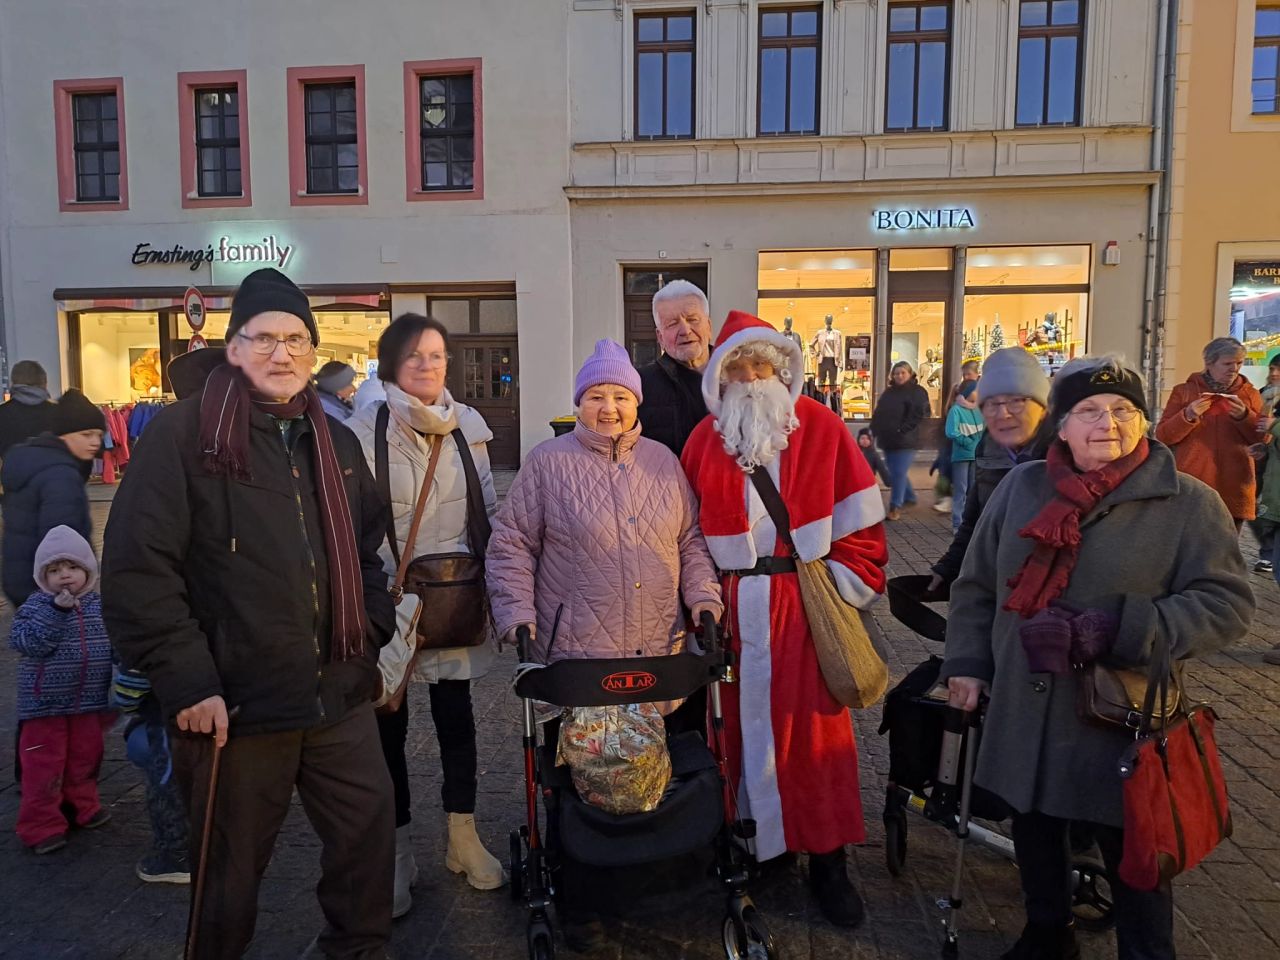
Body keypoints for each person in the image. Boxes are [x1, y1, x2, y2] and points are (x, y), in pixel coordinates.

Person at [101, 267, 398, 960]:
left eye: (296, 339)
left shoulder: (335, 440)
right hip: (234, 705)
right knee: (229, 877)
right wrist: (189, 682)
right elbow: (138, 571)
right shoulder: (183, 436)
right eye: (263, 337)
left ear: (313, 350)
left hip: (336, 692)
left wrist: (368, 636)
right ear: (233, 347)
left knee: (367, 838)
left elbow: (367, 552)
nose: (281, 353)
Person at [942, 355, 1253, 960]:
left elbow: (1227, 605)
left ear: (1144, 421)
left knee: (1134, 849)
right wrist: (968, 665)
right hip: (1026, 702)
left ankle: (1146, 951)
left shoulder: (1188, 503)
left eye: (1122, 410)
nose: (1106, 423)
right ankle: (1048, 934)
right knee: (1033, 824)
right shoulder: (1021, 489)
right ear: (1060, 425)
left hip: (1119, 717)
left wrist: (1122, 627)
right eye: (1088, 410)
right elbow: (976, 586)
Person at [486, 339, 723, 948]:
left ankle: (656, 881)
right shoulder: (547, 463)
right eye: (597, 396)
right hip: (577, 658)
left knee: (654, 773)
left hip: (658, 651)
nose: (609, 407)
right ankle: (585, 896)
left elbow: (691, 541)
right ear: (579, 403)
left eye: (620, 395)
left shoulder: (663, 462)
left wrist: (705, 599)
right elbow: (511, 545)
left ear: (636, 403)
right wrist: (517, 616)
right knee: (581, 780)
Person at [681, 311, 888, 927]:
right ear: (721, 377)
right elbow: (685, 537)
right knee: (737, 734)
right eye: (738, 368)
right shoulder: (702, 441)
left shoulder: (823, 428)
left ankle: (828, 860)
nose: (750, 378)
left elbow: (863, 528)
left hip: (802, 609)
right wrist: (699, 602)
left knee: (814, 737)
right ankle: (761, 846)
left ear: (780, 371)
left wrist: (841, 591)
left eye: (760, 366)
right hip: (731, 611)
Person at [347, 313, 504, 917]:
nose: (427, 365)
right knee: (387, 724)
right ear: (391, 362)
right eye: (414, 355)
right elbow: (351, 524)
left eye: (436, 355)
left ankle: (463, 838)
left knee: (456, 719)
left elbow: (487, 513)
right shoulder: (364, 431)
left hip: (453, 596)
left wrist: (497, 591)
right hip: (389, 600)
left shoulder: (469, 428)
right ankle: (398, 853)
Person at [11, 526, 114, 854]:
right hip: (45, 706)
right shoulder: (36, 606)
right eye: (54, 570)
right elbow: (26, 642)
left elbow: (115, 643)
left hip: (89, 702)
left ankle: (81, 806)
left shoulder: (100, 607)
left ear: (88, 570)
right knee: (43, 766)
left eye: (72, 567)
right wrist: (56, 612)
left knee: (85, 758)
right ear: (43, 577)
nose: (64, 576)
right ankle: (41, 825)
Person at [929, 348, 1053, 591]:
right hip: (1000, 585)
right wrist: (948, 567)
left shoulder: (1071, 451)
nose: (1002, 413)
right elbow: (976, 522)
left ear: (1042, 406)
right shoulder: (988, 447)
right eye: (991, 404)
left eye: (1016, 401)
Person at [1, 388, 104, 607]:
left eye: (99, 435)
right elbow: (62, 539)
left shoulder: (34, 461)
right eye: (86, 435)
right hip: (52, 587)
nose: (95, 442)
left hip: (23, 577)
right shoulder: (61, 474)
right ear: (64, 434)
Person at [1155, 336, 1262, 530]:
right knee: (1191, 543)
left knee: (1227, 545)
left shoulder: (1250, 394)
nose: (1234, 369)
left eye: (1239, 363)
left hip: (1234, 484)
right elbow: (1163, 436)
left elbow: (1263, 438)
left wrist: (1245, 416)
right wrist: (1188, 415)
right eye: (1227, 363)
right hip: (1194, 482)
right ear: (1209, 363)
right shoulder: (1185, 392)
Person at [636, 279, 713, 456]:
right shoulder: (639, 386)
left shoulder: (741, 377)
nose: (685, 330)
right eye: (672, 324)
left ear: (709, 326)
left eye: (693, 319)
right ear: (660, 337)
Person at [869, 360, 930, 520]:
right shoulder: (889, 393)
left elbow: (919, 414)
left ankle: (895, 506)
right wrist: (872, 431)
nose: (899, 376)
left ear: (910, 374)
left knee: (898, 473)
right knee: (896, 472)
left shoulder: (917, 392)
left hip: (907, 440)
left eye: (903, 373)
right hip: (888, 439)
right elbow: (879, 413)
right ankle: (909, 497)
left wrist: (902, 429)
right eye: (896, 373)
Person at [1247, 356, 1280, 573]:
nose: (1274, 374)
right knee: (1255, 513)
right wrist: (1264, 448)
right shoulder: (1265, 395)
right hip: (1267, 470)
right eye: (1272, 368)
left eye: (1279, 369)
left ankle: (1270, 554)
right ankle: (1268, 552)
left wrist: (1274, 425)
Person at [944, 380, 985, 533]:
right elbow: (951, 431)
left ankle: (970, 523)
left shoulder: (978, 410)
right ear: (968, 392)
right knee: (961, 490)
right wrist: (966, 442)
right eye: (976, 390)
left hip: (976, 455)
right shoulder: (956, 410)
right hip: (961, 456)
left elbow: (984, 430)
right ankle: (957, 524)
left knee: (973, 491)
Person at [0, 360, 56, 460]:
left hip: (12, 469)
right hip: (53, 468)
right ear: (44, 383)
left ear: (13, 383)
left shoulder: (2, 413)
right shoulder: (59, 412)